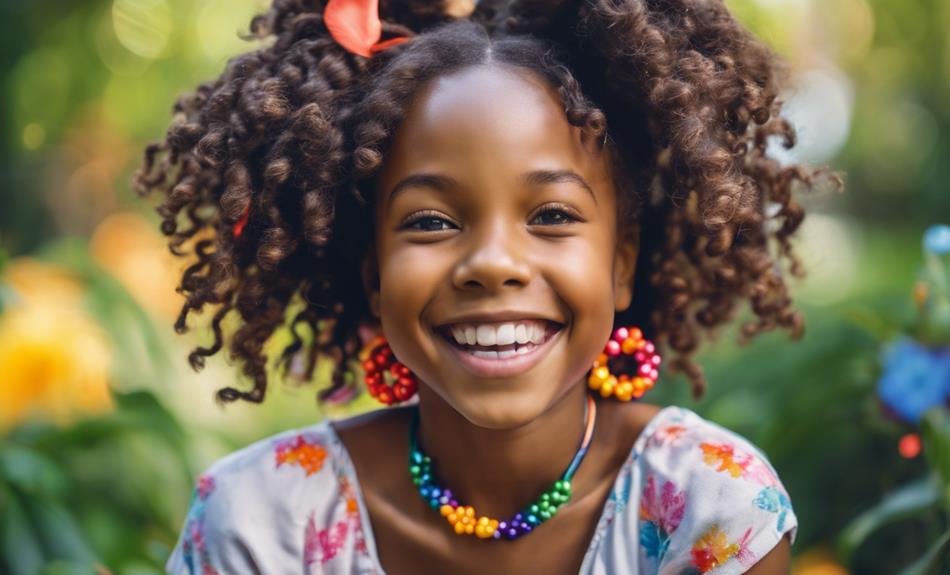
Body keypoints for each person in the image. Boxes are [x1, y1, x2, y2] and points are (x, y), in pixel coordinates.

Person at [135, 0, 838, 572]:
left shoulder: (708, 511)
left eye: (553, 215)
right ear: (372, 273)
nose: (492, 263)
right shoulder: (261, 525)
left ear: (622, 262)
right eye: (433, 220)